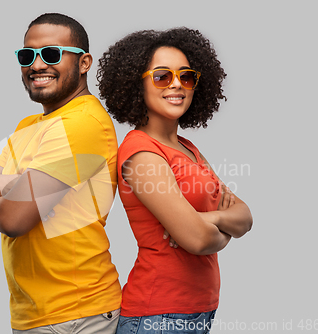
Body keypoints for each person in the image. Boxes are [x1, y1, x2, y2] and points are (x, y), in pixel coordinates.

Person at [0, 13, 121, 334]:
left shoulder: (84, 124)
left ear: (84, 62)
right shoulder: (28, 127)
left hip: (77, 314)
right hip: (34, 315)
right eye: (26, 55)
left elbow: (11, 221)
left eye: (51, 54)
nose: (36, 65)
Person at [97, 28, 253, 334]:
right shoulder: (141, 152)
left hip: (198, 311)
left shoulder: (188, 148)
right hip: (158, 316)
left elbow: (245, 217)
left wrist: (209, 218)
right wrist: (217, 230)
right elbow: (198, 240)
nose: (176, 85)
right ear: (136, 84)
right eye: (161, 77)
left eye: (186, 77)